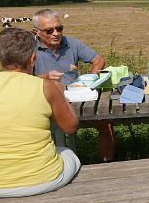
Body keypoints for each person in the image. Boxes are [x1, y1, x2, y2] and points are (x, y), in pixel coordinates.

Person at [0, 28, 81, 198]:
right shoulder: (46, 87)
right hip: (42, 179)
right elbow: (70, 127)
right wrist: (60, 93)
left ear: (0, 58)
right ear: (33, 58)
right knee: (68, 153)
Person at [31, 9, 114, 162]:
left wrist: (92, 77)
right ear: (35, 32)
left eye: (59, 28)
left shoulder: (71, 43)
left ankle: (107, 166)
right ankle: (48, 166)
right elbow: (20, 80)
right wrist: (44, 77)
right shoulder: (29, 49)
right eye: (49, 30)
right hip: (44, 103)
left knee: (105, 123)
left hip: (76, 100)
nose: (56, 33)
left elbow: (98, 60)